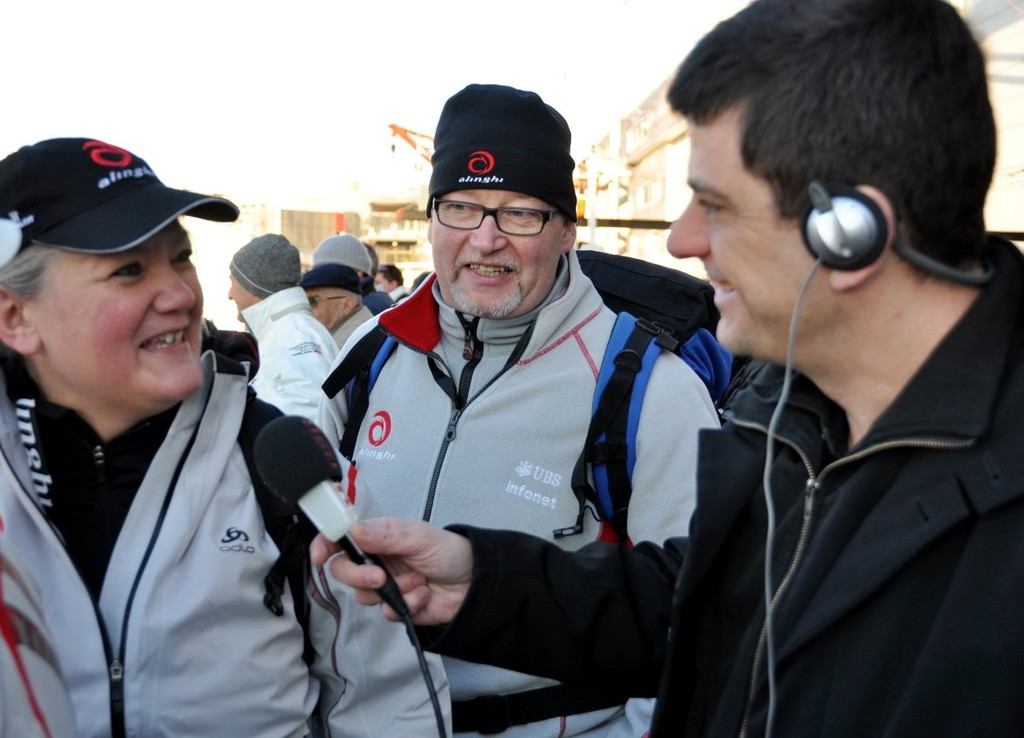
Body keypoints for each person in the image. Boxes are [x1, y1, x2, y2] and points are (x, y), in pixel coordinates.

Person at [320, 1, 1024, 736]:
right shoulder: (788, 424)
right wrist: (482, 583)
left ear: (849, 231)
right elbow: (689, 606)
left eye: (715, 205)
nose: (683, 240)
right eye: (461, 208)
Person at [0, 137, 449, 738]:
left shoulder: (281, 462)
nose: (183, 295)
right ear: (16, 318)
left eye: (180, 258)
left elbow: (391, 698)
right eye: (128, 269)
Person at [317, 83, 720, 737]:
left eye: (520, 214)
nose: (485, 239)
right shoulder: (376, 353)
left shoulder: (650, 386)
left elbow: (701, 613)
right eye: (461, 208)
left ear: (567, 230)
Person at [228, 233, 339, 419]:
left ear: (253, 285)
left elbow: (309, 418)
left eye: (232, 281)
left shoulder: (293, 334)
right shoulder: (287, 330)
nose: (230, 294)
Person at [313, 233, 393, 315]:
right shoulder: (373, 300)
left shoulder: (363, 306)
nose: (320, 278)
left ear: (358, 272)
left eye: (328, 270)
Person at [300, 262, 373, 348]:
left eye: (312, 301)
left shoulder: (348, 346)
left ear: (347, 306)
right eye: (303, 300)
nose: (305, 310)